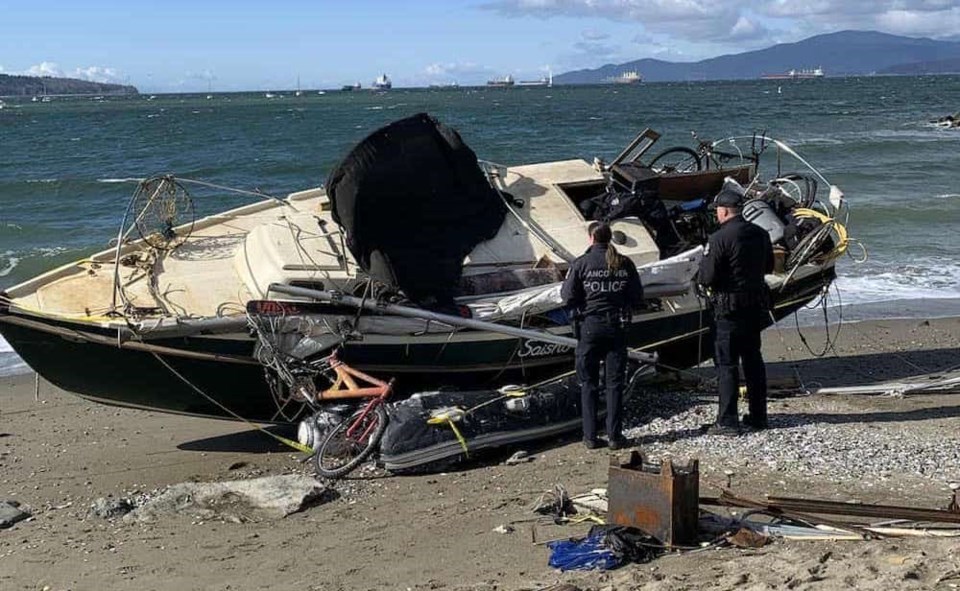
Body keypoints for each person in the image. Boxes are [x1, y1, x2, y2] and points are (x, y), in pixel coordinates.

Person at [698, 183, 775, 436]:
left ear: (723, 212)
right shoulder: (761, 234)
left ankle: (728, 420)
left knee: (727, 364)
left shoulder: (719, 238)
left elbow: (707, 277)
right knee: (753, 360)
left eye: (717, 210)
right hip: (755, 305)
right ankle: (758, 416)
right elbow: (769, 267)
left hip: (729, 308)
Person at [561, 222, 643, 449]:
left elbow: (567, 297)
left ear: (591, 238)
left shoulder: (582, 264)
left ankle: (590, 437)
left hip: (589, 327)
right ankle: (615, 437)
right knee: (614, 384)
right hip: (616, 326)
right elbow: (637, 297)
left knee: (589, 383)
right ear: (610, 239)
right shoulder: (624, 263)